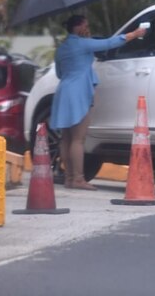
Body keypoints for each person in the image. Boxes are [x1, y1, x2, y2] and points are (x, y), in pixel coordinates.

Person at [49, 15, 146, 190]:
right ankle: (78, 179)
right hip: (78, 92)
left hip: (63, 91)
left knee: (66, 138)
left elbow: (59, 73)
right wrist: (135, 33)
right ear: (78, 28)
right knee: (78, 139)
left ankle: (69, 178)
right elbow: (110, 43)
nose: (88, 28)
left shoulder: (61, 49)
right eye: (86, 25)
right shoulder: (83, 44)